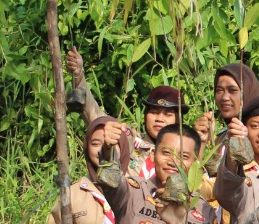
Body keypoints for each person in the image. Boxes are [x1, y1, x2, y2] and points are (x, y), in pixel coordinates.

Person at [64, 48, 182, 182]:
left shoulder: (185, 151)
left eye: (167, 114)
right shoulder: (128, 139)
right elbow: (96, 116)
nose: (159, 119)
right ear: (146, 115)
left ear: (178, 120)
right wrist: (79, 75)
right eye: (154, 112)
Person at [46, 116, 124, 224]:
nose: (103, 149)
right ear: (87, 148)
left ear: (124, 147)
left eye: (111, 144)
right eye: (96, 143)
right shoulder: (73, 193)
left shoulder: (139, 190)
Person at [193, 63, 259, 175]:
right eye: (219, 90)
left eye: (232, 90)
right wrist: (201, 141)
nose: (225, 97)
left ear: (247, 92)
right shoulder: (222, 137)